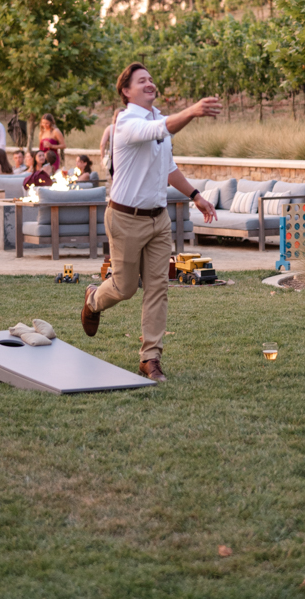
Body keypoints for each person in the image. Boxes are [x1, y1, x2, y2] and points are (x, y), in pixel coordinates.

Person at [80, 63, 221, 383]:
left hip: (159, 220)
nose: (149, 83)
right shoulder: (126, 123)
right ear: (126, 91)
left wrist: (195, 195)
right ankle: (93, 298)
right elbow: (159, 131)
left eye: (151, 79)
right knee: (124, 287)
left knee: (158, 288)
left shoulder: (158, 118)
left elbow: (168, 167)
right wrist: (192, 111)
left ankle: (150, 358)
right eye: (141, 81)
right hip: (125, 219)